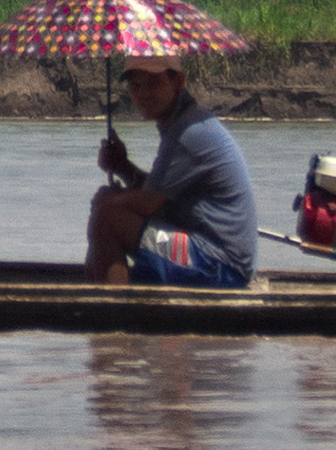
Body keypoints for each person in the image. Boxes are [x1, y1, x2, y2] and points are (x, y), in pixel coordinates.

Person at [86, 60, 258, 286]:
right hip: (212, 254)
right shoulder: (184, 122)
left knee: (107, 216)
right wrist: (122, 167)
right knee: (107, 207)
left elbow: (148, 203)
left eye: (154, 83)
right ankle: (101, 290)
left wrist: (109, 201)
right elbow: (159, 194)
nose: (144, 93)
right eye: (136, 86)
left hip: (219, 265)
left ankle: (112, 312)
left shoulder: (189, 132)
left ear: (177, 81)